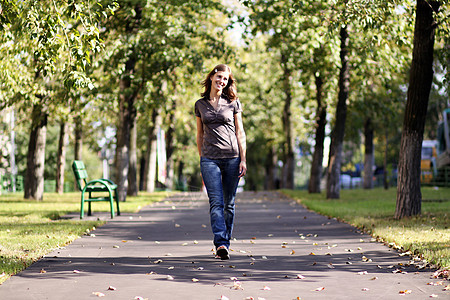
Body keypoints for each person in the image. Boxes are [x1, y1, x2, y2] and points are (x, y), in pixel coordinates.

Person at [195, 64, 247, 260]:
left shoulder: (233, 102)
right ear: (211, 77)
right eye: (219, 77)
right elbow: (199, 135)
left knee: (229, 204)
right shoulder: (200, 104)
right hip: (209, 159)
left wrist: (243, 159)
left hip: (232, 159)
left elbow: (240, 132)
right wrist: (202, 159)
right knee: (216, 202)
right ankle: (221, 244)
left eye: (225, 79)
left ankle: (226, 239)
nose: (221, 81)